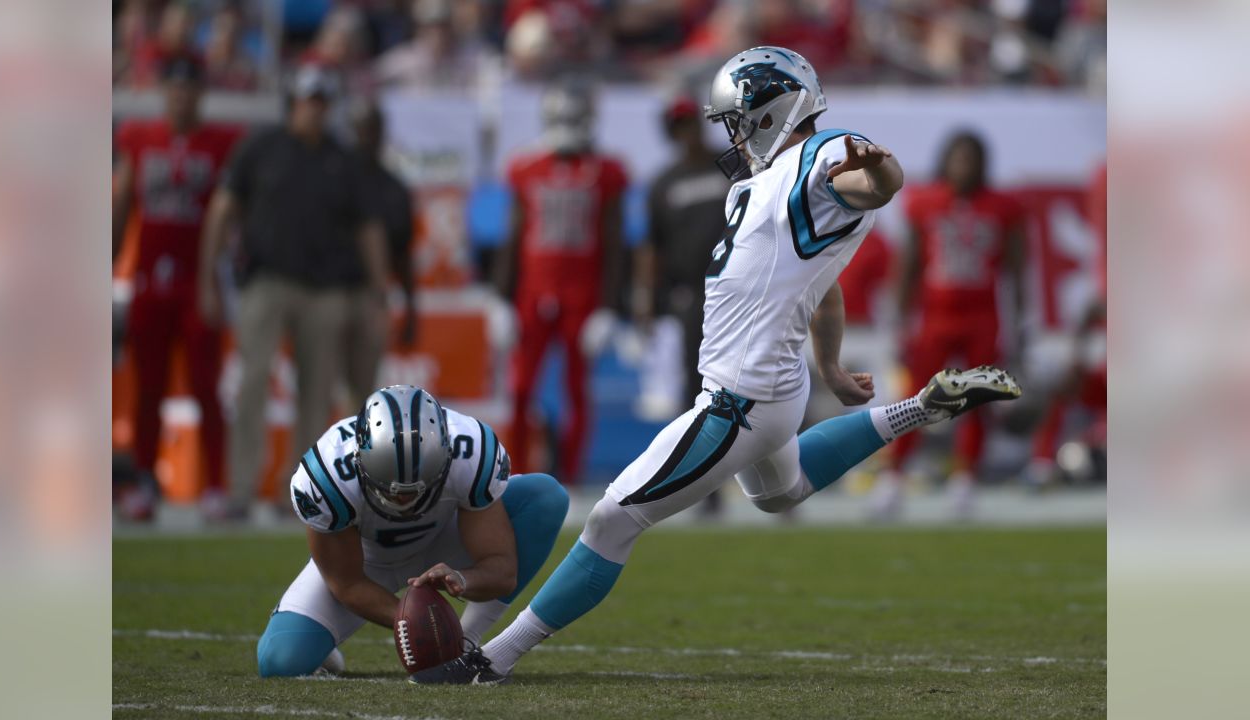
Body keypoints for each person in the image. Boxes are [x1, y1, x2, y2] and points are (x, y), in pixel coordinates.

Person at [412, 46, 1021, 684]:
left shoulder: (823, 155)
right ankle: (922, 407)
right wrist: (833, 366)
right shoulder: (765, 183)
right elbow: (823, 280)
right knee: (782, 493)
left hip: (741, 398)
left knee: (612, 519)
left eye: (736, 119)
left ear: (770, 111)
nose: (730, 133)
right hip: (773, 386)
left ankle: (490, 659)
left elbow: (871, 183)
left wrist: (883, 176)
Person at [256, 385, 569, 677]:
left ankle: (467, 643)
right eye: (391, 491)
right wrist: (417, 622)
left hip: (447, 539)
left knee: (544, 498)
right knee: (279, 662)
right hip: (367, 561)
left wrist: (463, 579)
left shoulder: (471, 452)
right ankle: (323, 648)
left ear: (447, 456)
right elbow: (346, 582)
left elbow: (501, 568)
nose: (404, 501)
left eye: (419, 489)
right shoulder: (326, 478)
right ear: (359, 460)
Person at [198, 64, 390, 521]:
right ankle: (241, 489)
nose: (315, 112)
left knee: (317, 393)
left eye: (322, 103)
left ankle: (298, 493)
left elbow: (367, 227)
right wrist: (208, 274)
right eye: (309, 101)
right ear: (293, 103)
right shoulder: (261, 147)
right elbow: (223, 207)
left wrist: (380, 286)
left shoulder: (341, 159)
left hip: (325, 289)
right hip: (266, 280)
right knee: (251, 382)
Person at [112, 56, 243, 520]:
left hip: (198, 281)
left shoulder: (221, 143)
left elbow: (233, 212)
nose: (182, 97)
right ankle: (144, 482)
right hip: (150, 281)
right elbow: (123, 203)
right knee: (148, 388)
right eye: (174, 89)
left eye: (190, 89)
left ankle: (215, 487)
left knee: (207, 386)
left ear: (200, 95)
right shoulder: (140, 138)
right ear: (164, 93)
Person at [871, 130, 1027, 520]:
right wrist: (898, 319)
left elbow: (1017, 270)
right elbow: (908, 266)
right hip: (935, 315)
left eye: (972, 159)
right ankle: (893, 479)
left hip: (982, 315)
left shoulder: (1003, 207)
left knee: (977, 400)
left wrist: (1022, 323)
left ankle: (965, 480)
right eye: (959, 158)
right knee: (916, 399)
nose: (965, 167)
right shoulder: (924, 202)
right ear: (946, 161)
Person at [495, 81, 629, 485]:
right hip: (532, 293)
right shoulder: (525, 166)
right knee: (519, 389)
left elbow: (614, 242)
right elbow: (514, 236)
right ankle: (515, 475)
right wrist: (499, 297)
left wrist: (609, 306)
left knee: (576, 391)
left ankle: (570, 475)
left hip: (582, 295)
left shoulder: (607, 171)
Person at [637, 95, 731, 513]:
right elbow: (651, 247)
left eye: (690, 123)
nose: (686, 133)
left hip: (739, 287)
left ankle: (775, 479)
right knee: (698, 390)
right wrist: (644, 299)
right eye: (678, 126)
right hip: (692, 294)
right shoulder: (663, 183)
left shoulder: (730, 164)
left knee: (756, 380)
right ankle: (699, 486)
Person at [345, 101, 419, 409]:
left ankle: (352, 458)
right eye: (360, 130)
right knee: (317, 388)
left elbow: (403, 253)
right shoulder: (334, 178)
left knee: (362, 394)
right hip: (327, 291)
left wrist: (412, 307)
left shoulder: (393, 188)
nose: (366, 138)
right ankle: (318, 457)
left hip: (371, 295)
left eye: (371, 130)